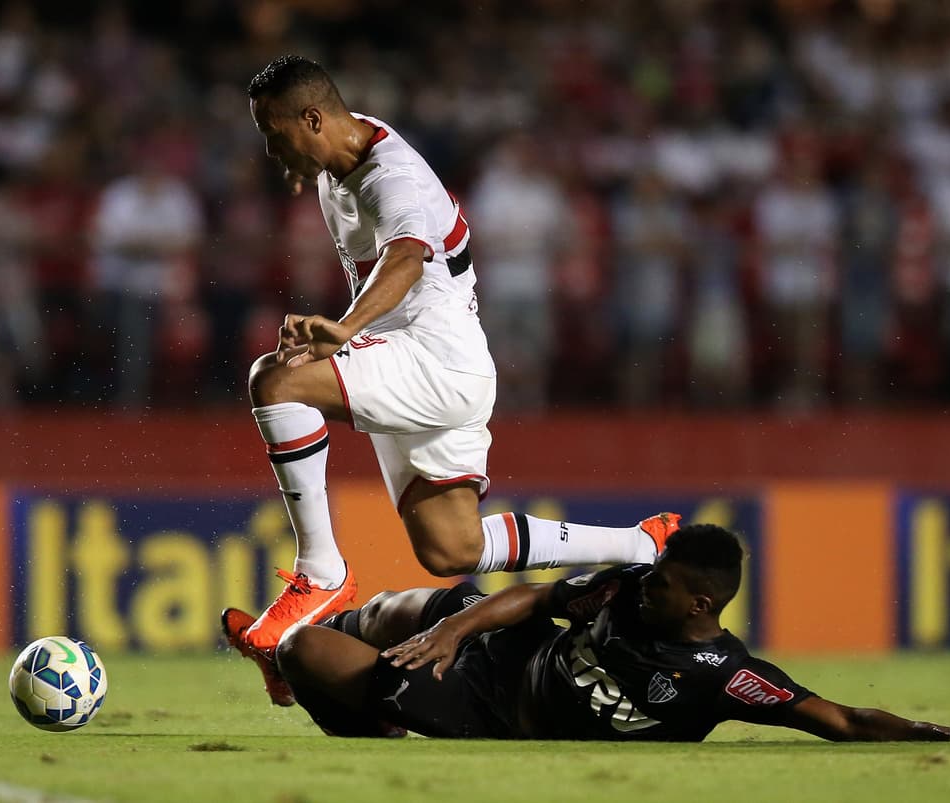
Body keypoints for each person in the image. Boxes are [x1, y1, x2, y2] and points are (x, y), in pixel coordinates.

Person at [224, 54, 682, 705]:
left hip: (431, 364)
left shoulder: (394, 177)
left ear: (313, 118)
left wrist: (347, 329)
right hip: (445, 361)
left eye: (274, 133)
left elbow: (408, 255)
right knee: (451, 546)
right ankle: (641, 542)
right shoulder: (339, 162)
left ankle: (319, 575)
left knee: (275, 380)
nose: (270, 149)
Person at [273, 524, 950, 743]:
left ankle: (371, 719)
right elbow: (537, 596)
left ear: (700, 603)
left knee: (304, 650)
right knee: (425, 605)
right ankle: (347, 630)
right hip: (501, 654)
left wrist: (941, 734)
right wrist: (459, 627)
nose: (644, 583)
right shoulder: (628, 587)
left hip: (489, 712)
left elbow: (842, 718)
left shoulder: (726, 673)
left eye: (663, 582)